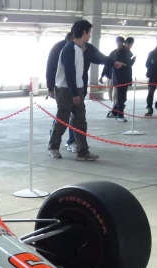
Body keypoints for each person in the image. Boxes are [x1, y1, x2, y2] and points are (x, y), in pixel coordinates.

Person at [48, 19, 111, 161]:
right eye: (89, 32)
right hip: (66, 90)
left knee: (80, 122)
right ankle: (53, 147)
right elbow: (70, 73)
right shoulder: (69, 49)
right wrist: (75, 93)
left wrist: (113, 62)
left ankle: (82, 152)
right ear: (84, 32)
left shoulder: (81, 48)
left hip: (78, 90)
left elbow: (98, 59)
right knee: (62, 120)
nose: (89, 35)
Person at [46, 31, 76, 152]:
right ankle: (53, 137)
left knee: (75, 116)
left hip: (76, 88)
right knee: (63, 115)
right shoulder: (59, 47)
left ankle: (72, 141)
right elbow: (50, 67)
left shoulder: (81, 47)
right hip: (61, 88)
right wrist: (50, 88)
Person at [111, 37, 135, 122]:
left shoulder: (127, 52)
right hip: (120, 79)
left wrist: (132, 61)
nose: (130, 46)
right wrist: (118, 81)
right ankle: (120, 116)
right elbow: (116, 67)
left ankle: (114, 112)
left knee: (123, 98)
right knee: (121, 98)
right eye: (129, 44)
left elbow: (127, 66)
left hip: (125, 78)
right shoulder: (119, 52)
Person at [101, 36, 124, 111]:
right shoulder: (112, 53)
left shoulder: (124, 53)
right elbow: (106, 65)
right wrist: (102, 76)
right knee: (110, 94)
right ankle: (113, 106)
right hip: (110, 76)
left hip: (118, 78)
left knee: (115, 95)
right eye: (118, 42)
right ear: (116, 42)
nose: (119, 44)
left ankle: (113, 110)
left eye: (121, 42)